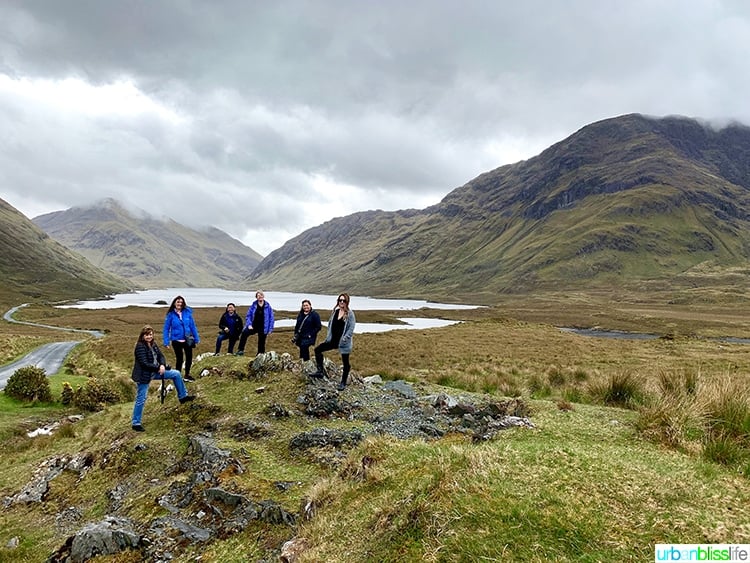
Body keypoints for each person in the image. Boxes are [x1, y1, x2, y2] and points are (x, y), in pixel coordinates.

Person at [131, 325, 195, 432]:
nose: (149, 337)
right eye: (147, 335)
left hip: (155, 371)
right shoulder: (139, 346)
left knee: (176, 374)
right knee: (141, 399)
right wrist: (158, 368)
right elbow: (144, 363)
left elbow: (161, 356)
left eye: (151, 334)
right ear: (142, 336)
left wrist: (162, 365)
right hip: (143, 375)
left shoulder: (153, 344)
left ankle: (183, 397)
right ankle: (136, 423)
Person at [312, 293, 355, 391]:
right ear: (338, 301)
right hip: (332, 340)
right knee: (318, 350)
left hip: (343, 343)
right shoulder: (335, 312)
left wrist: (345, 338)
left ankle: (343, 382)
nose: (342, 302)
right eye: (340, 300)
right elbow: (331, 324)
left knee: (345, 362)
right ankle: (320, 371)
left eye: (344, 300)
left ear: (347, 302)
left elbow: (351, 328)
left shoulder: (350, 313)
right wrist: (328, 336)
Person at [162, 295, 200, 381]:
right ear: (174, 303)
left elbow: (192, 326)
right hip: (176, 340)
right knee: (179, 358)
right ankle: (178, 375)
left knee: (189, 357)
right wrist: (166, 341)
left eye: (181, 302)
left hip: (187, 339)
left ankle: (187, 374)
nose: (180, 304)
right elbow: (166, 329)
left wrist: (196, 338)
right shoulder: (170, 315)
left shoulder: (188, 313)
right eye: (178, 302)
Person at [236, 290, 275, 356]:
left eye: (261, 295)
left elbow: (271, 318)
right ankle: (240, 350)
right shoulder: (253, 305)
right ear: (256, 297)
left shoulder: (268, 306)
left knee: (262, 342)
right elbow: (248, 316)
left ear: (263, 296)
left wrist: (270, 329)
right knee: (244, 333)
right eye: (258, 296)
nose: (260, 297)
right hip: (254, 326)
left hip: (263, 327)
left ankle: (260, 355)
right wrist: (249, 325)